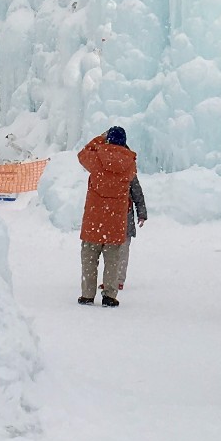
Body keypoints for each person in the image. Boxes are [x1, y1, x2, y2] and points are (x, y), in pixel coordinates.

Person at [76, 126, 138, 307]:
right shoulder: (130, 163)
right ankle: (109, 295)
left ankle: (88, 294)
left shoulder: (96, 158)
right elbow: (132, 175)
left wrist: (99, 139)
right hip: (116, 220)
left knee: (89, 259)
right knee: (112, 260)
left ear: (108, 139)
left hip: (94, 219)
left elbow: (82, 154)